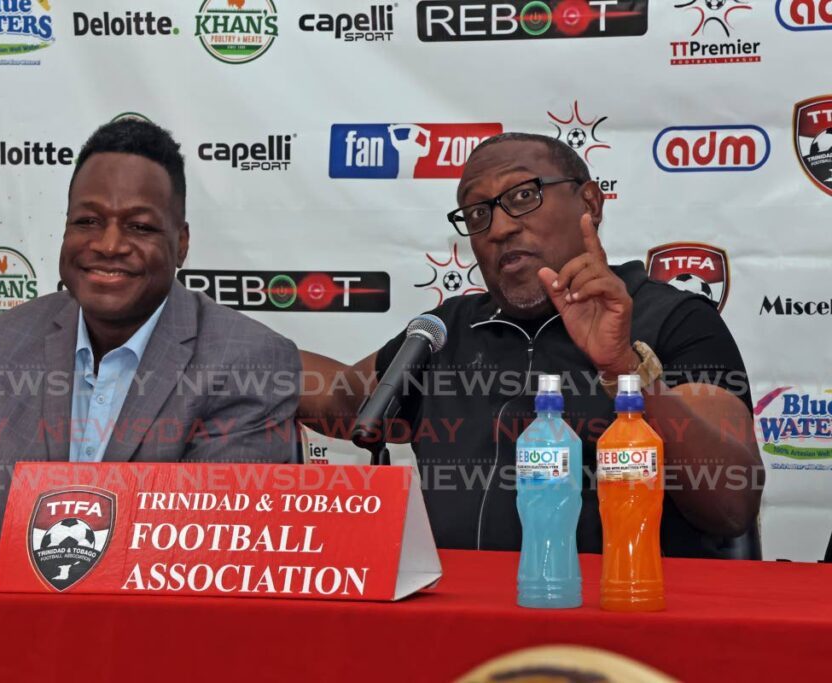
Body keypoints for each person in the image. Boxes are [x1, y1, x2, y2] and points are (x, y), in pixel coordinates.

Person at [299, 132, 764, 557]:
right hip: (460, 628)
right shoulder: (444, 332)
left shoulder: (671, 318)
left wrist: (623, 366)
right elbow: (343, 399)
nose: (499, 228)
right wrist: (228, 342)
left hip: (617, 627)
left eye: (523, 196)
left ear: (590, 203)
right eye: (478, 213)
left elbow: (729, 503)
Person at [0, 118, 301, 539]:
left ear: (181, 243)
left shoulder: (244, 360)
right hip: (18, 605)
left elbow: (213, 544)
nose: (108, 245)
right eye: (87, 221)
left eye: (139, 226)